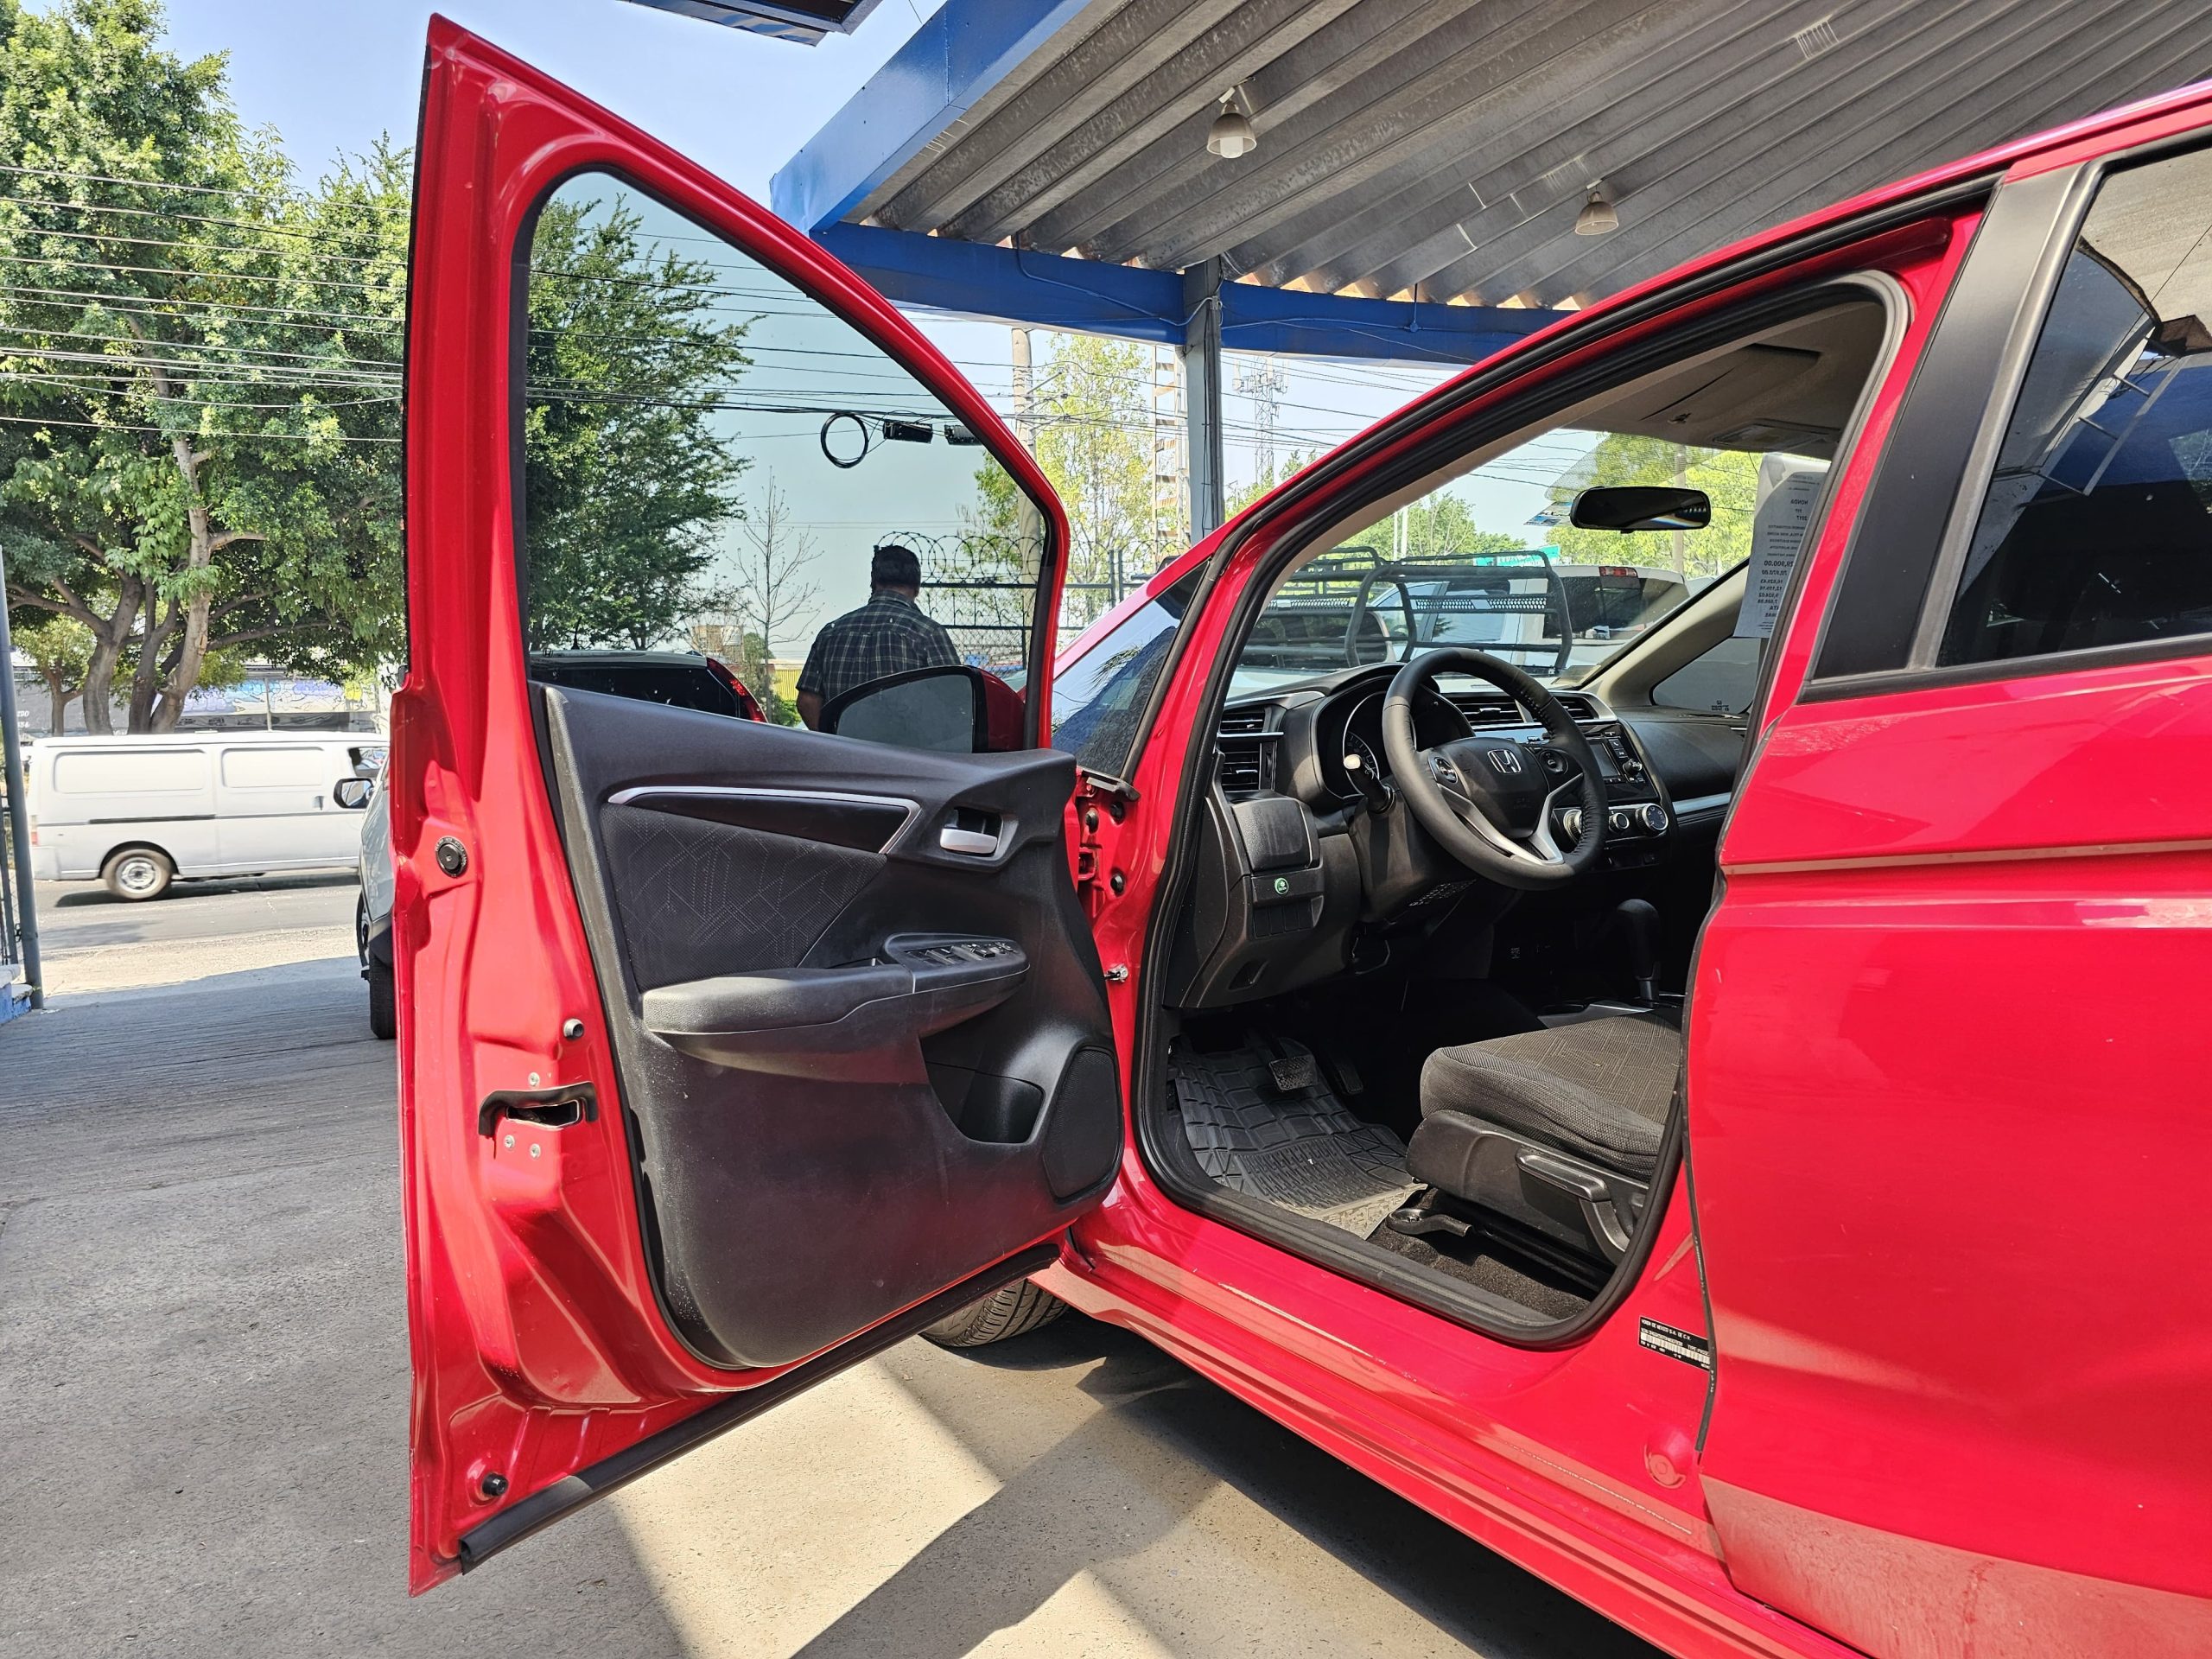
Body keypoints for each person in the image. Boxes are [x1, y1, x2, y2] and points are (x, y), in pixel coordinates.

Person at [795, 543, 959, 729]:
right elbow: (955, 700)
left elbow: (807, 701)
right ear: (917, 587)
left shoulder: (831, 632)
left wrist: (831, 741)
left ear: (873, 583)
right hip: (909, 754)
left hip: (843, 754)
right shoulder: (927, 632)